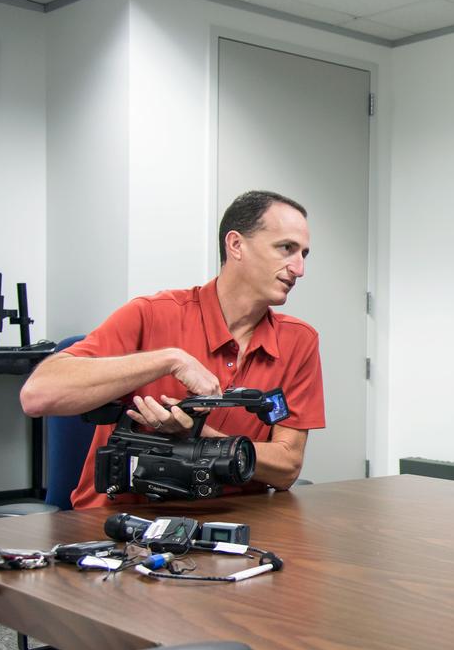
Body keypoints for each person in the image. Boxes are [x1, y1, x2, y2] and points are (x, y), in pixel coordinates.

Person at [21, 190, 326, 509]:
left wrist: (199, 436)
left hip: (235, 524)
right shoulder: (151, 314)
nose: (299, 268)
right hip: (122, 523)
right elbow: (37, 395)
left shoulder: (299, 341)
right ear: (236, 245)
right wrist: (170, 360)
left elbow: (287, 468)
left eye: (304, 254)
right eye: (286, 248)